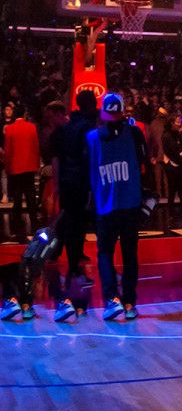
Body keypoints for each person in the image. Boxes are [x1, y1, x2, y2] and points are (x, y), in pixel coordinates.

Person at [88, 93, 150, 321]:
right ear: (123, 112)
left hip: (105, 203)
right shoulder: (134, 133)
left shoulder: (91, 138)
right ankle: (130, 303)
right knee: (129, 254)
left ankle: (111, 300)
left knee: (105, 252)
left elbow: (87, 171)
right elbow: (144, 163)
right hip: (130, 202)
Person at [48, 92, 97, 320]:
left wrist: (58, 183)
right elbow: (89, 157)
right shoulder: (86, 127)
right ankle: (75, 265)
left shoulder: (65, 130)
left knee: (70, 223)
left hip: (68, 182)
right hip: (80, 182)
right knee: (77, 224)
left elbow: (57, 159)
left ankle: (72, 262)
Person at [4, 102, 41, 242]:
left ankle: (18, 230)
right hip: (29, 166)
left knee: (17, 199)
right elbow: (36, 147)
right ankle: (35, 226)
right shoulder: (32, 127)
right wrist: (36, 165)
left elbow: (8, 151)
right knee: (31, 198)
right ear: (24, 114)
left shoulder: (10, 129)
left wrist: (8, 168)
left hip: (15, 167)